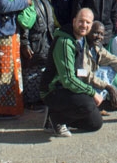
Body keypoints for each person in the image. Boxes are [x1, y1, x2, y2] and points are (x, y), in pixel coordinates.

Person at [41, 9, 104, 137]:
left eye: (88, 22)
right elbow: (68, 79)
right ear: (74, 21)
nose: (84, 25)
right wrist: (92, 92)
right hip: (53, 90)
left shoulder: (82, 40)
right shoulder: (64, 42)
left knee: (95, 123)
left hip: (69, 89)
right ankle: (55, 118)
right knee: (88, 103)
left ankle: (62, 117)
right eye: (81, 21)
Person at [20, 0, 56, 112]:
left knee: (42, 69)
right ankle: (31, 101)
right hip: (34, 40)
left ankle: (40, 97)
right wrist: (25, 43)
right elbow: (25, 23)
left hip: (46, 39)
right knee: (31, 70)